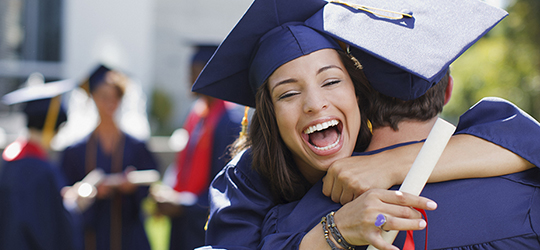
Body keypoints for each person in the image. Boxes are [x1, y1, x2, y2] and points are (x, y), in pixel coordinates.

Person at [191, 0, 540, 249]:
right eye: (288, 94)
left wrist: (386, 164)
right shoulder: (250, 181)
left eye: (330, 81)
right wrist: (335, 231)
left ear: (360, 95)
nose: (315, 104)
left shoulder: (289, 227)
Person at [150, 45, 242, 250]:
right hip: (183, 221)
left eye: (196, 72)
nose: (190, 80)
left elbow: (226, 186)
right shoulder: (197, 114)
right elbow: (182, 164)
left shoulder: (229, 122)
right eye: (190, 72)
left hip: (204, 225)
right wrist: (167, 191)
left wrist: (182, 203)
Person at [60, 64, 158, 250]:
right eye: (104, 97)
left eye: (115, 97)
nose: (110, 103)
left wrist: (132, 186)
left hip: (128, 233)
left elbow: (150, 183)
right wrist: (86, 191)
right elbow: (65, 192)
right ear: (93, 98)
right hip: (90, 234)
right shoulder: (76, 150)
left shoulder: (136, 146)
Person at [0, 78, 81, 250]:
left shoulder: (9, 160)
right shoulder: (42, 170)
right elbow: (53, 227)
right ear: (50, 126)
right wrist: (73, 205)